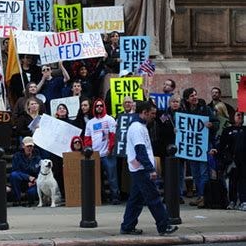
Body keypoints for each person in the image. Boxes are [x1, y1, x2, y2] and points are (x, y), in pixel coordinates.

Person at [120, 101, 179, 235]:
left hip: (139, 168)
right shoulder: (137, 128)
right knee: (154, 197)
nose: (154, 116)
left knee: (136, 199)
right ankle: (164, 225)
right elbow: (140, 150)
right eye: (152, 113)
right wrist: (150, 169)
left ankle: (127, 226)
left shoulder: (141, 126)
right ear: (144, 113)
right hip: (141, 169)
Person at [180, 87, 218, 208]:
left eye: (195, 95)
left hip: (204, 145)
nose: (194, 97)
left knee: (203, 172)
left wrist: (211, 124)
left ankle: (204, 196)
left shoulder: (205, 109)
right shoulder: (184, 111)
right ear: (187, 99)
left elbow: (216, 122)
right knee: (195, 173)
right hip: (192, 148)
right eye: (192, 96)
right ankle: (200, 195)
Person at [84, 98, 120, 204]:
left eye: (101, 105)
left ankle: (115, 197)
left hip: (107, 153)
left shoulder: (109, 119)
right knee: (96, 178)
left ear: (103, 107)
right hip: (95, 154)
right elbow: (87, 138)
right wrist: (89, 151)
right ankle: (101, 198)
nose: (99, 107)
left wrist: (110, 148)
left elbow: (113, 136)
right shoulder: (90, 122)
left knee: (112, 177)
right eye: (97, 106)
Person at [9, 136, 41, 206]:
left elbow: (40, 173)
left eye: (31, 146)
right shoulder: (17, 156)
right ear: (23, 146)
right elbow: (15, 170)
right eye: (27, 146)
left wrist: (35, 181)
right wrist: (28, 177)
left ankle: (30, 201)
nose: (29, 148)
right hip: (21, 182)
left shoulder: (38, 158)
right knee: (13, 175)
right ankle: (17, 200)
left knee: (31, 193)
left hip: (33, 183)